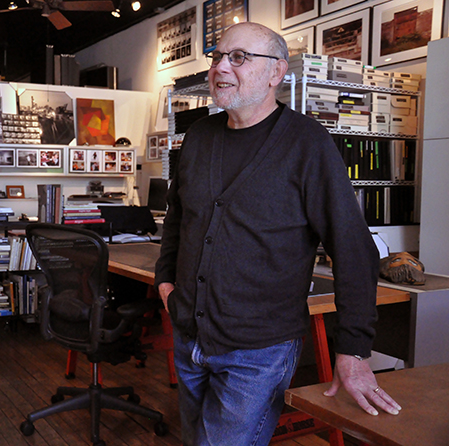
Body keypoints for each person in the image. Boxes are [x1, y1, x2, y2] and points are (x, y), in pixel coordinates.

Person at [154, 22, 401, 446]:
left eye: (239, 57)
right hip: (191, 338)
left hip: (258, 352)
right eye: (218, 57)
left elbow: (352, 249)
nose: (220, 68)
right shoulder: (197, 138)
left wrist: (355, 351)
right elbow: (178, 219)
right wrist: (166, 285)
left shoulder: (307, 144)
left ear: (276, 72)